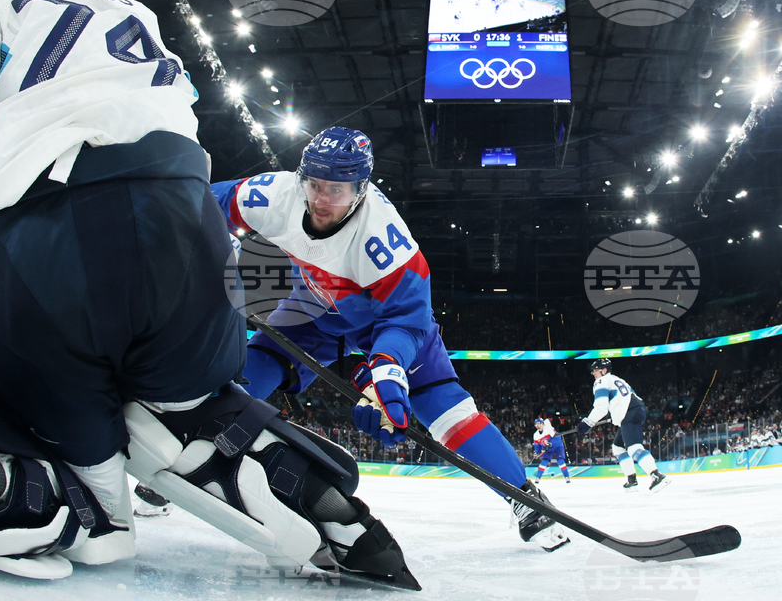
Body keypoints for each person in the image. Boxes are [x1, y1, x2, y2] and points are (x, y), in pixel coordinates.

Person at [0, 0, 418, 588]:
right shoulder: (138, 14)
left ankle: (67, 507)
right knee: (184, 412)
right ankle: (305, 490)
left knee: (82, 459)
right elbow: (184, 112)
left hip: (54, 231)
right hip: (195, 238)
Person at [210, 126, 569, 553]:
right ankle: (199, 450)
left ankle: (525, 497)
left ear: (361, 191)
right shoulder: (274, 194)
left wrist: (387, 370)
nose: (321, 200)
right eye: (314, 185)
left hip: (386, 321)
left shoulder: (383, 238)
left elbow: (410, 319)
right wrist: (214, 257)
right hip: (316, 307)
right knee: (239, 374)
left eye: (337, 191)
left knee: (446, 410)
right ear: (301, 176)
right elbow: (203, 205)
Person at [577, 359, 670, 492]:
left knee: (633, 448)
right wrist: (615, 414)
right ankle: (632, 480)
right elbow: (627, 397)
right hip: (635, 411)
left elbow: (601, 407)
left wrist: (587, 423)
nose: (594, 374)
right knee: (618, 447)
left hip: (629, 414)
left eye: (596, 371)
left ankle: (657, 475)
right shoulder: (617, 379)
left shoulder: (601, 381)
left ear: (604, 371)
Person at [532, 417, 570, 484]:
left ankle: (567, 477)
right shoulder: (535, 435)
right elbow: (537, 446)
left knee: (560, 461)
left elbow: (557, 438)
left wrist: (550, 444)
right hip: (548, 449)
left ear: (542, 424)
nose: (537, 425)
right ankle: (538, 478)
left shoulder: (549, 429)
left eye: (538, 423)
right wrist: (537, 452)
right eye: (536, 424)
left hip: (558, 446)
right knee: (544, 462)